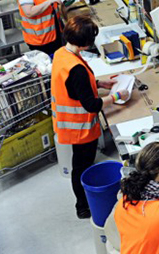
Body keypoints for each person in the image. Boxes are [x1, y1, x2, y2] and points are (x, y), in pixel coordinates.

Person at [52, 15, 131, 219]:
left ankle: (82, 203)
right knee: (81, 166)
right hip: (80, 128)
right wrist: (116, 96)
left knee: (80, 164)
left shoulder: (62, 53)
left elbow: (76, 87)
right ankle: (83, 206)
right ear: (85, 43)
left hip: (68, 125)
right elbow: (92, 105)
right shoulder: (76, 69)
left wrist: (99, 84)